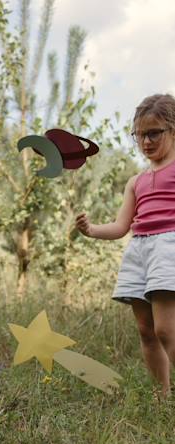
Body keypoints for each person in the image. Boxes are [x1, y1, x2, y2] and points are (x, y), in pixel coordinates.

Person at [76, 93, 175, 396]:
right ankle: (163, 397)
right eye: (140, 135)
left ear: (173, 130)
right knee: (146, 331)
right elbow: (121, 226)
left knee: (165, 329)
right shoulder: (136, 181)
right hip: (138, 251)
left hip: (168, 247)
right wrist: (91, 229)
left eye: (154, 133)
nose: (146, 141)